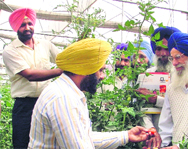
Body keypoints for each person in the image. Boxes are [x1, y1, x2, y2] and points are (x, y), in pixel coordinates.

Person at [28, 38, 155, 148]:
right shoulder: (63, 98)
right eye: (100, 70)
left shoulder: (68, 92)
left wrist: (126, 135)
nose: (103, 76)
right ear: (85, 70)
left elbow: (83, 137)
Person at [2, 8, 63, 148]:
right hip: (25, 106)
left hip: (46, 102)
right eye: (22, 25)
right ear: (16, 27)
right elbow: (29, 75)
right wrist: (60, 71)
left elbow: (62, 60)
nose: (27, 27)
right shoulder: (10, 50)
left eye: (30, 23)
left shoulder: (45, 45)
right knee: (22, 142)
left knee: (49, 141)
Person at [136, 27, 181, 132]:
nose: (163, 54)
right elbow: (141, 109)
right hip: (152, 134)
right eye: (159, 49)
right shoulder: (147, 75)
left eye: (167, 49)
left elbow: (180, 104)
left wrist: (156, 100)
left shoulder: (181, 75)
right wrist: (150, 129)